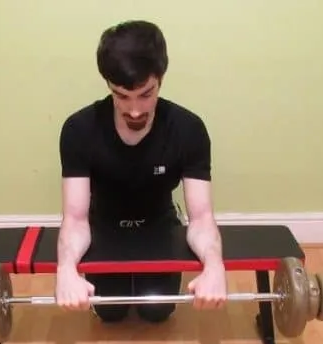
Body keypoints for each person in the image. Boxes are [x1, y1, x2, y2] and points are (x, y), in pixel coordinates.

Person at [54, 20, 228, 323]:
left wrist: (214, 266)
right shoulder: (79, 129)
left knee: (157, 311)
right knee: (110, 313)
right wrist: (65, 269)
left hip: (159, 225)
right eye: (122, 96)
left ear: (160, 78)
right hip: (103, 226)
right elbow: (75, 218)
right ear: (108, 84)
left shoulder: (188, 129)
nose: (135, 110)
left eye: (146, 94)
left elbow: (201, 218)